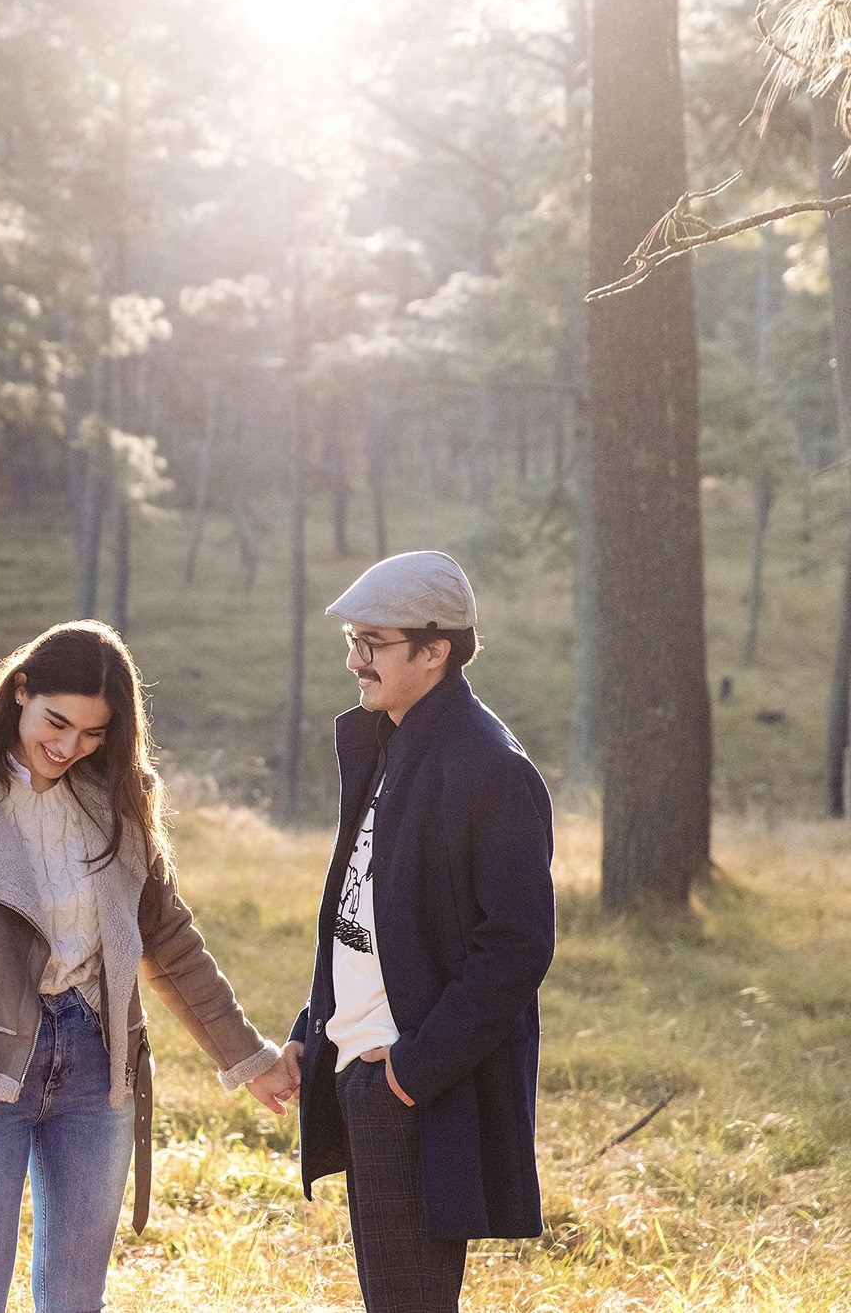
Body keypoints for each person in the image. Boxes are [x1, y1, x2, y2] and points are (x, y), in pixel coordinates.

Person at [0, 620, 296, 1313]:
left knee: (77, 1300)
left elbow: (168, 939)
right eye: (57, 722)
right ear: (21, 689)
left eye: (93, 732)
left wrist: (247, 1055)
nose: (68, 746)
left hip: (96, 1067)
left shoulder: (116, 796)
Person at [280, 551, 556, 1313]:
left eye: (373, 642)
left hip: (414, 1086)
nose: (354, 661)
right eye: (351, 641)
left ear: (435, 649)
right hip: (359, 1063)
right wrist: (315, 1025)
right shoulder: (388, 741)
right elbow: (364, 916)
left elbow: (517, 944)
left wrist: (410, 1070)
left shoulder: (490, 769)